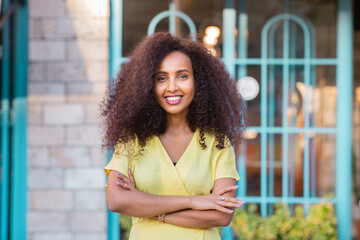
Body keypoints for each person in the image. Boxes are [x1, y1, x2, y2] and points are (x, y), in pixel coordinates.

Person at [102, 32, 247, 240]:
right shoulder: (132, 140)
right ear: (147, 86)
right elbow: (116, 201)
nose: (171, 87)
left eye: (182, 76)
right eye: (161, 78)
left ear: (199, 82)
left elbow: (222, 215)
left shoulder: (218, 142)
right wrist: (192, 202)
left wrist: (151, 210)